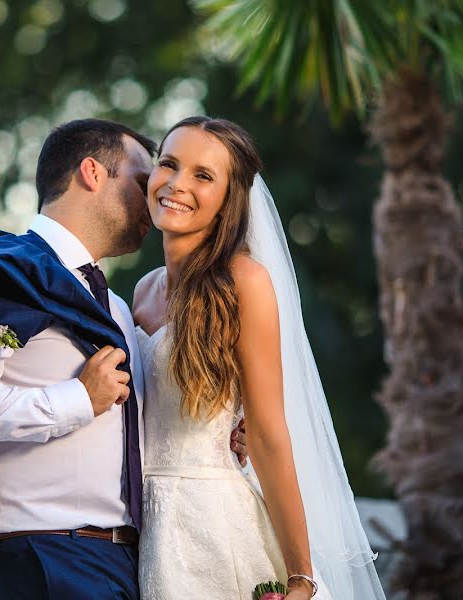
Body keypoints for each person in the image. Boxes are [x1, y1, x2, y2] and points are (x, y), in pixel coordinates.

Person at [0, 118, 247, 599]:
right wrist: (78, 399)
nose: (157, 197)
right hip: (48, 557)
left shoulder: (117, 307)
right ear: (92, 172)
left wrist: (216, 428)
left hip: (131, 561)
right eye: (144, 181)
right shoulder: (9, 273)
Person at [132, 116, 386, 599]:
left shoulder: (242, 282)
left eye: (203, 176)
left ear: (229, 198)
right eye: (169, 164)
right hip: (143, 529)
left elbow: (269, 435)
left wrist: (300, 577)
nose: (177, 184)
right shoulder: (143, 292)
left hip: (215, 525)